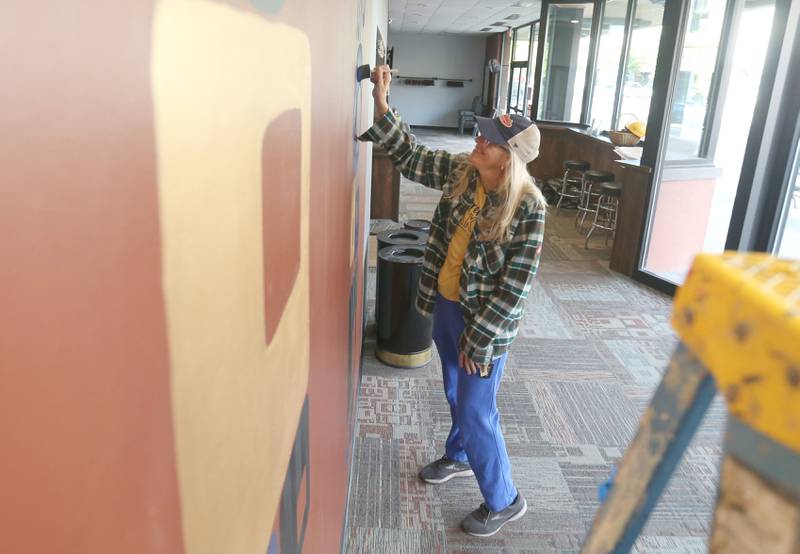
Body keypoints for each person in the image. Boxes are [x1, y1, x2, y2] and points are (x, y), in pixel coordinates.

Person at [359, 65, 546, 537]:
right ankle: (460, 455)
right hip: (446, 308)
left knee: (478, 409)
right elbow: (414, 157)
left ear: (509, 159)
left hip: (484, 325)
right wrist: (383, 104)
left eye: (489, 140)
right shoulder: (466, 173)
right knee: (454, 394)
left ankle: (504, 499)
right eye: (482, 134)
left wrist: (480, 341)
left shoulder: (528, 209)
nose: (478, 141)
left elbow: (515, 291)